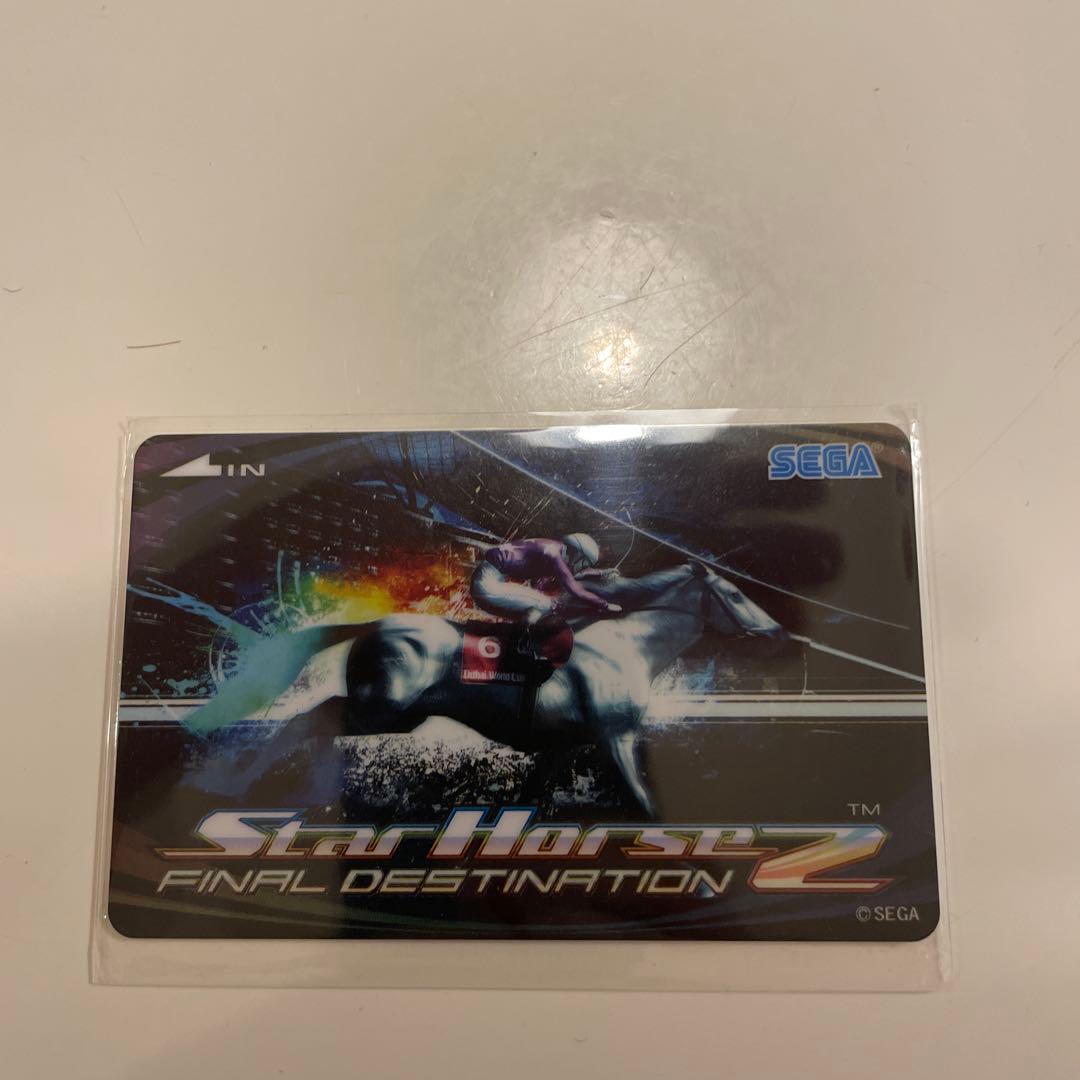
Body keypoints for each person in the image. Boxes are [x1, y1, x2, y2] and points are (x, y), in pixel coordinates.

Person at [470, 533, 622, 623]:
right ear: (577, 553)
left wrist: (600, 573)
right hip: (488, 584)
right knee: (545, 605)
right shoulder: (554, 555)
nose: (582, 566)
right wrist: (604, 605)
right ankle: (518, 648)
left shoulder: (553, 548)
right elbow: (575, 589)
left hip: (488, 579)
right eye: (583, 562)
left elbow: (569, 575)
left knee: (536, 605)